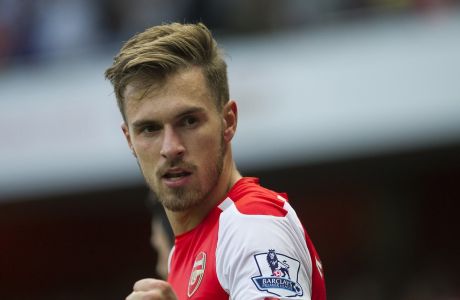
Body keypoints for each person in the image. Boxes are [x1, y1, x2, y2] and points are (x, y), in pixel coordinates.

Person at [105, 22, 326, 300]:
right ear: (129, 140)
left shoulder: (252, 226)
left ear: (228, 121)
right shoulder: (184, 252)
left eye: (189, 121)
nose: (171, 148)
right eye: (149, 129)